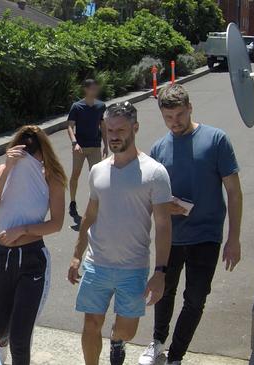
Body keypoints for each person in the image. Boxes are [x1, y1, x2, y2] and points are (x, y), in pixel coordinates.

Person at [138, 85, 243, 365]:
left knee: (195, 299)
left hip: (206, 236)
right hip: (170, 236)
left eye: (180, 115)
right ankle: (158, 342)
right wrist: (163, 206)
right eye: (168, 117)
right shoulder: (159, 148)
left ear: (190, 108)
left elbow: (233, 191)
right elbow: (149, 196)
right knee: (163, 292)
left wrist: (234, 238)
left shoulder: (216, 140)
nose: (175, 122)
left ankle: (176, 355)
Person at [67, 102, 173, 365]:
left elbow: (163, 225)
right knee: (91, 324)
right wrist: (77, 254)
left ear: (134, 128)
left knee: (127, 330)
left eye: (121, 130)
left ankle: (117, 341)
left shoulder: (155, 173)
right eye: (109, 129)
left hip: (133, 268)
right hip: (97, 265)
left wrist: (160, 272)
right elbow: (90, 216)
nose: (114, 135)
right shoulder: (98, 170)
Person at [0, 126, 67, 365]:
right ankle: (4, 341)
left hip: (32, 260)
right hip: (4, 259)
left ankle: (15, 342)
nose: (28, 156)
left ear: (43, 152)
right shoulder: (5, 169)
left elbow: (57, 223)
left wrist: (22, 230)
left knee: (21, 338)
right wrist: (8, 167)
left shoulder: (52, 176)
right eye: (23, 148)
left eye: (33, 151)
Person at [66, 79, 108, 228]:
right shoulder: (77, 107)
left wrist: (106, 145)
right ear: (86, 89)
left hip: (95, 146)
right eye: (92, 88)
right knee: (75, 175)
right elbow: (70, 126)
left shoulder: (101, 106)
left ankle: (95, 205)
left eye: (96, 88)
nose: (95, 91)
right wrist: (74, 142)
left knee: (96, 177)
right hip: (80, 147)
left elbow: (103, 126)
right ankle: (72, 202)